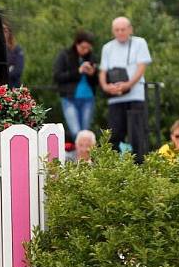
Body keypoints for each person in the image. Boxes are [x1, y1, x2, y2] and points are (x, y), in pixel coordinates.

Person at [99, 17, 151, 162]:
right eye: (117, 30)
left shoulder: (140, 43)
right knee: (114, 135)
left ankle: (139, 169)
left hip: (135, 96)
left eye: (123, 29)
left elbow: (141, 67)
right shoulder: (107, 47)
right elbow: (102, 71)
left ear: (130, 29)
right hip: (115, 97)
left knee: (137, 135)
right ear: (113, 31)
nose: (120, 32)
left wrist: (128, 84)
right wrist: (105, 87)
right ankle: (113, 169)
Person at [53, 31, 98, 141]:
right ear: (76, 44)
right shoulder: (64, 55)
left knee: (85, 132)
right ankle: (78, 157)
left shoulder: (92, 57)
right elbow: (57, 76)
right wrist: (78, 71)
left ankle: (84, 157)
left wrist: (92, 74)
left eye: (88, 48)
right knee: (75, 131)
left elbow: (97, 81)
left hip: (88, 98)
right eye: (83, 47)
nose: (85, 50)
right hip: (69, 98)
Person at [3, 21, 24, 88]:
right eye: (0, 30)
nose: (2, 33)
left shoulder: (16, 49)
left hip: (13, 87)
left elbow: (17, 71)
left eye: (5, 30)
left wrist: (3, 74)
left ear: (9, 32)